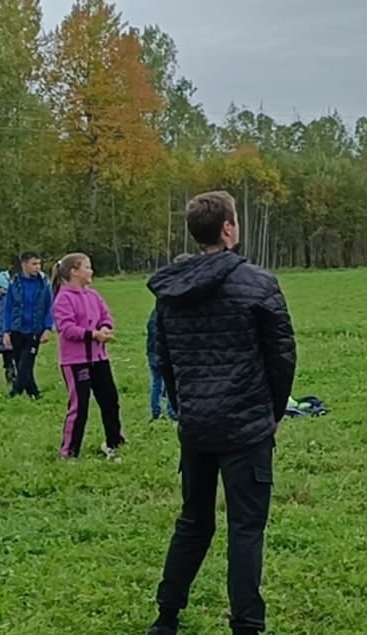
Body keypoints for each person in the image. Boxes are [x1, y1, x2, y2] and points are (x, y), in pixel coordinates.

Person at [147, 191, 297, 635]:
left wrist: (183, 404)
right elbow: (283, 356)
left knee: (193, 521)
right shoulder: (259, 283)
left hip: (197, 426)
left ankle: (166, 616)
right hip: (246, 426)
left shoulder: (170, 291)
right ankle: (247, 625)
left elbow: (164, 357)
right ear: (228, 228)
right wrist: (273, 412)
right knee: (246, 529)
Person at [50, 253, 125, 460]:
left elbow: (105, 315)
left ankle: (114, 442)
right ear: (74, 271)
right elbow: (66, 328)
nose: (91, 271)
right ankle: (69, 452)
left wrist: (105, 328)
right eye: (87, 267)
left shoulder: (94, 295)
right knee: (79, 407)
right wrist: (93, 334)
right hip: (75, 362)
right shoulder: (63, 299)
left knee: (110, 400)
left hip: (99, 358)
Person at [3, 251, 54, 399]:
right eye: (34, 264)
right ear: (24, 264)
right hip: (17, 329)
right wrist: (6, 331)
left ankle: (15, 392)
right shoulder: (14, 284)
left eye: (39, 264)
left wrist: (48, 328)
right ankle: (34, 393)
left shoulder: (44, 284)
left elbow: (49, 307)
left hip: (35, 329)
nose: (37, 267)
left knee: (26, 362)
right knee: (20, 364)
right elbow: (8, 308)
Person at [146, 254, 190, 422]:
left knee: (157, 382)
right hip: (163, 352)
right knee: (170, 381)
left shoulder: (160, 304)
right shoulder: (173, 302)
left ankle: (156, 412)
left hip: (153, 351)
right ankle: (172, 412)